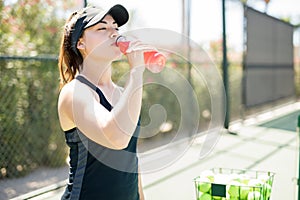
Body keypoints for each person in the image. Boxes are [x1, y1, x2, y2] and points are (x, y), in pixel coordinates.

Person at [57, 4, 151, 200]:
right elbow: (116, 138)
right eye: (102, 28)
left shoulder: (123, 93)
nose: (114, 34)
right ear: (80, 43)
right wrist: (136, 72)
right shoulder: (74, 92)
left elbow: (130, 155)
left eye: (115, 27)